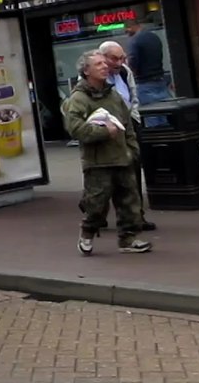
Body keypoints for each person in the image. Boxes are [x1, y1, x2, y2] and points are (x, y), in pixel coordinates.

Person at [62, 50, 152, 255]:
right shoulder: (78, 98)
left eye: (105, 63)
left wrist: (132, 148)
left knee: (130, 201)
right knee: (96, 204)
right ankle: (87, 233)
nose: (105, 67)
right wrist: (104, 132)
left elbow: (127, 122)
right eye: (99, 64)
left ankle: (128, 239)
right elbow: (75, 129)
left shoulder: (113, 95)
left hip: (122, 157)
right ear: (86, 71)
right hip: (98, 162)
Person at [98, 40, 156, 232]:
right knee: (106, 178)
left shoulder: (124, 71)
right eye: (114, 58)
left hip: (129, 126)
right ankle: (96, 214)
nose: (119, 62)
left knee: (133, 171)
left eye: (122, 58)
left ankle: (136, 216)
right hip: (107, 129)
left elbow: (133, 96)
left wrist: (135, 119)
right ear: (103, 58)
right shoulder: (95, 76)